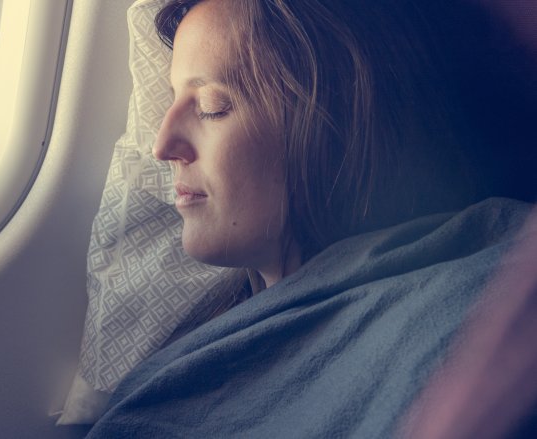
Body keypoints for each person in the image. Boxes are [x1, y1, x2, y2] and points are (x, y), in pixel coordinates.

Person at [86, 0, 535, 437]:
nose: (162, 146)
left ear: (335, 128)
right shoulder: (208, 347)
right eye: (171, 101)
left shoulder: (485, 315)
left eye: (210, 107)